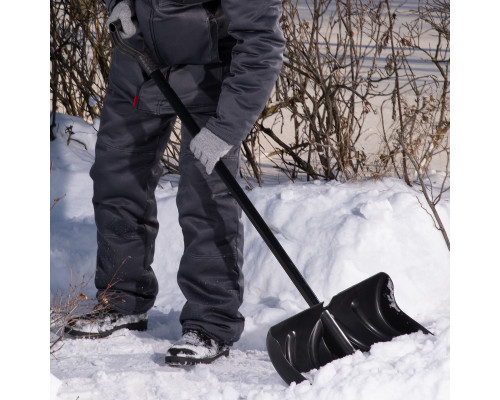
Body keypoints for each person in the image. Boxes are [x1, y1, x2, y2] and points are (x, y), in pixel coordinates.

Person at [65, 0, 285, 366]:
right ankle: (122, 299)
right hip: (138, 58)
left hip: (210, 72)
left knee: (206, 194)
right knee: (116, 177)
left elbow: (262, 41)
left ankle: (211, 321)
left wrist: (225, 129)